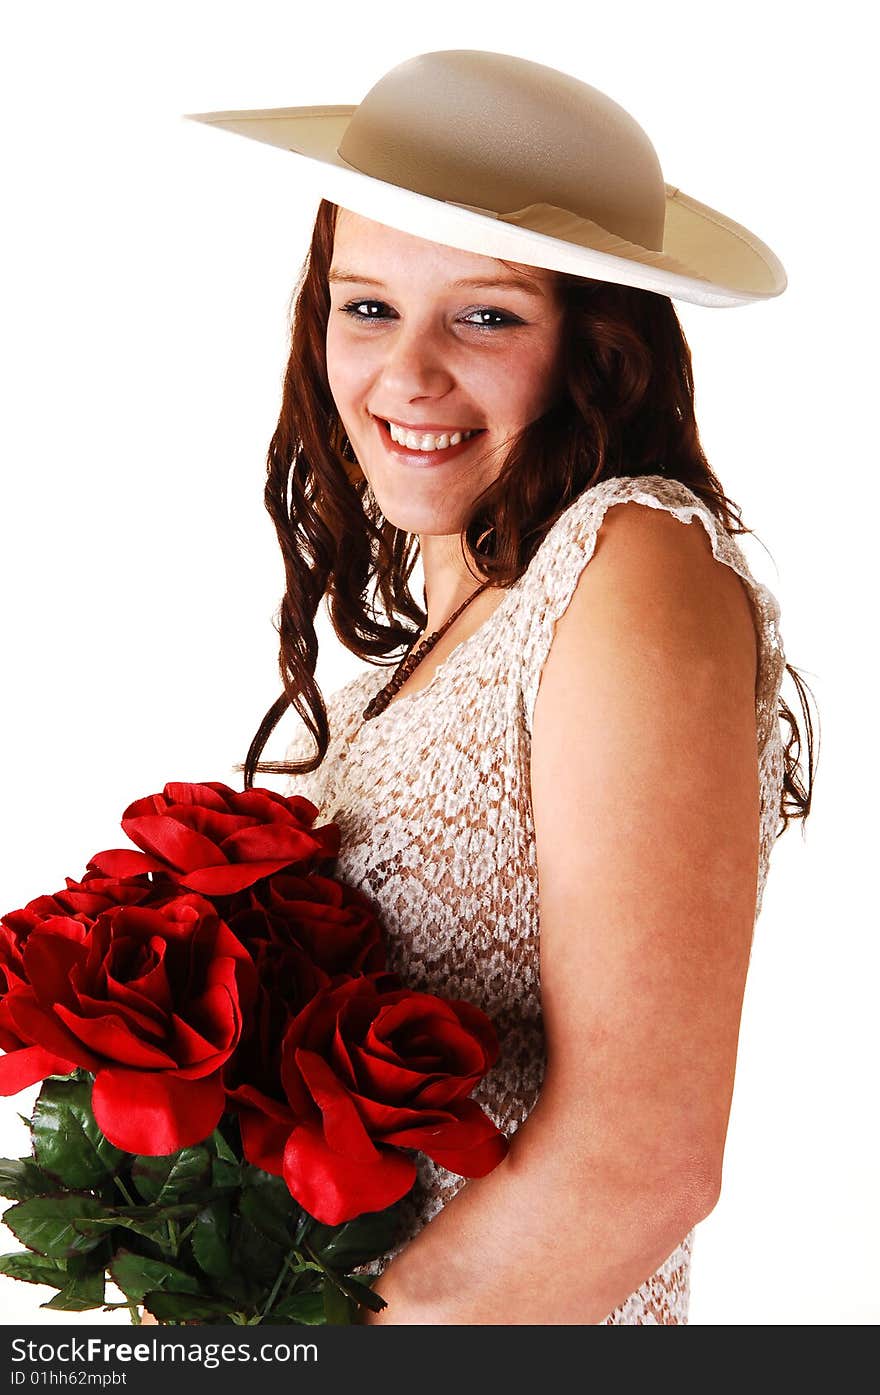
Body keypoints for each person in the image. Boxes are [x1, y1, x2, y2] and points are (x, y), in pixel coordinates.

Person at [187, 50, 817, 1325]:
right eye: (366, 307)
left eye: (484, 315)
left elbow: (642, 1165)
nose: (407, 375)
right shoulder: (443, 624)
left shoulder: (630, 562)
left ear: (600, 346)